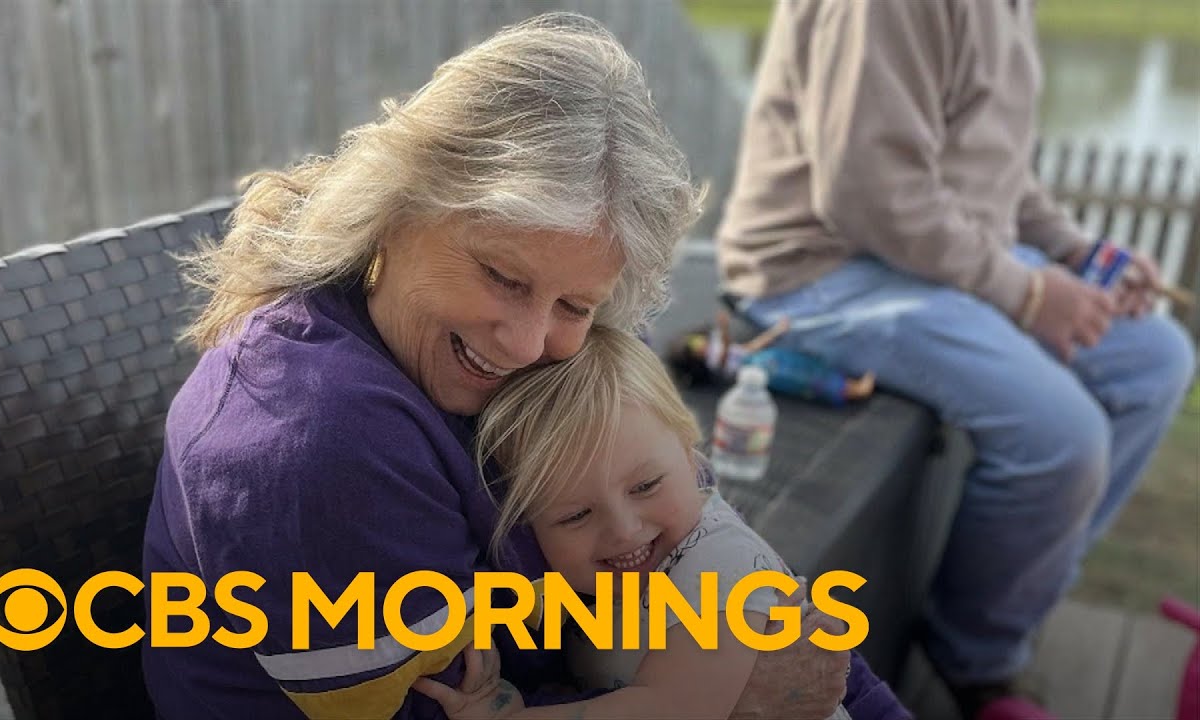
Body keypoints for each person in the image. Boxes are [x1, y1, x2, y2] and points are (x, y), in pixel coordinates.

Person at [142, 13, 881, 720]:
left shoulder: (582, 351)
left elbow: (735, 568)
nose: (530, 346)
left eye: (576, 304)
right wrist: (705, 697)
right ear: (399, 209)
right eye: (503, 276)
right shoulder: (315, 438)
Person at [716, 1, 1197, 718]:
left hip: (931, 259)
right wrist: (1029, 293)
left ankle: (1019, 589)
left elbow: (990, 167)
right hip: (822, 272)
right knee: (1063, 435)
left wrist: (1076, 252)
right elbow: (865, 188)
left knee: (1154, 358)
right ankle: (975, 663)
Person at [413, 326, 874, 719]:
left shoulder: (719, 563)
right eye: (576, 515)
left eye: (646, 486)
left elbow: (669, 708)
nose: (624, 529)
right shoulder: (589, 589)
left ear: (690, 454)